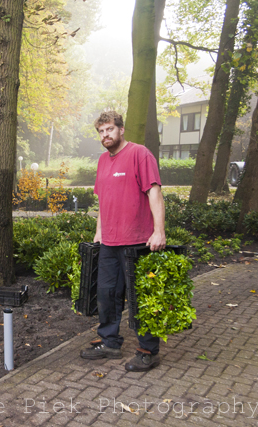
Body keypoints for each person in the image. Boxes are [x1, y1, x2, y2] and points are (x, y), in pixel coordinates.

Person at [80, 111, 166, 372]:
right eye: (101, 132)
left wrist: (159, 231)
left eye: (109, 129)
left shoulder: (140, 154)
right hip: (109, 242)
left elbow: (155, 193)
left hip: (137, 242)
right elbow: (103, 201)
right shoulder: (103, 161)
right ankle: (110, 342)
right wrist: (99, 231)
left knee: (140, 297)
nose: (105, 135)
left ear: (121, 130)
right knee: (106, 294)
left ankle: (147, 350)